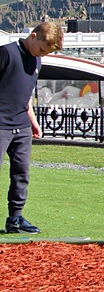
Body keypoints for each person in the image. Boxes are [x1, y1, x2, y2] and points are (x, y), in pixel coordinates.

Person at [2, 21, 63, 234]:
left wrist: (33, 122)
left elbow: (26, 96)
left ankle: (15, 219)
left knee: (21, 173)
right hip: (0, 124)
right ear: (33, 35)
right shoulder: (6, 54)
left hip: (21, 125)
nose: (43, 55)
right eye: (42, 49)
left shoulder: (37, 61)